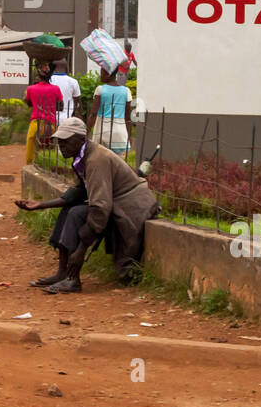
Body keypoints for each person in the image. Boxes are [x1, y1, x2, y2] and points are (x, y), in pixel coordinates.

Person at [14, 116, 159, 293]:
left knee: (76, 214)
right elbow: (79, 191)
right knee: (70, 210)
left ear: (81, 139)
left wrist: (81, 250)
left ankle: (73, 279)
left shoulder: (96, 159)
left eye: (66, 142)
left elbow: (100, 208)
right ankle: (63, 273)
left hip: (131, 206)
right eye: (60, 142)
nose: (61, 146)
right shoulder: (82, 157)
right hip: (113, 202)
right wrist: (41, 205)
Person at [88, 68, 132, 156]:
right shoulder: (126, 91)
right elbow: (128, 118)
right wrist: (129, 136)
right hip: (120, 135)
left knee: (102, 163)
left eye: (101, 74)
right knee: (117, 165)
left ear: (107, 75)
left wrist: (87, 132)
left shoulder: (100, 90)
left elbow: (93, 114)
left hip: (103, 133)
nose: (100, 76)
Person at [23, 65, 62, 166]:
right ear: (50, 76)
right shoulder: (56, 89)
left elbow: (28, 103)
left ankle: (30, 165)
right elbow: (60, 106)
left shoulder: (30, 89)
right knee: (51, 149)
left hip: (36, 123)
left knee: (31, 144)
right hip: (51, 124)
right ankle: (51, 166)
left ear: (38, 76)